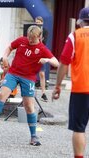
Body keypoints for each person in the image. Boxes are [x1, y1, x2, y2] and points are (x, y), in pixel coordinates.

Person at [0, 25, 59, 146]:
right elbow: (9, 47)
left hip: (28, 78)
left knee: (28, 105)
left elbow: (57, 62)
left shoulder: (42, 49)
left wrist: (47, 60)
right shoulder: (22, 40)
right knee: (2, 95)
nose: (29, 40)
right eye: (28, 37)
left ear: (40, 37)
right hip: (13, 73)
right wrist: (5, 56)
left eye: (32, 38)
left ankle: (33, 136)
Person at [52, 7, 89, 158]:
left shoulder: (75, 36)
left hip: (81, 89)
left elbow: (64, 62)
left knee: (79, 128)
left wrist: (57, 85)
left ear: (80, 21)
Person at [35, 16, 48, 102]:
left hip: (41, 53)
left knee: (42, 74)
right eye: (36, 22)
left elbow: (44, 43)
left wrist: (40, 38)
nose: (38, 24)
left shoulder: (45, 31)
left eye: (39, 22)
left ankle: (43, 93)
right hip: (32, 52)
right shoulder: (32, 30)